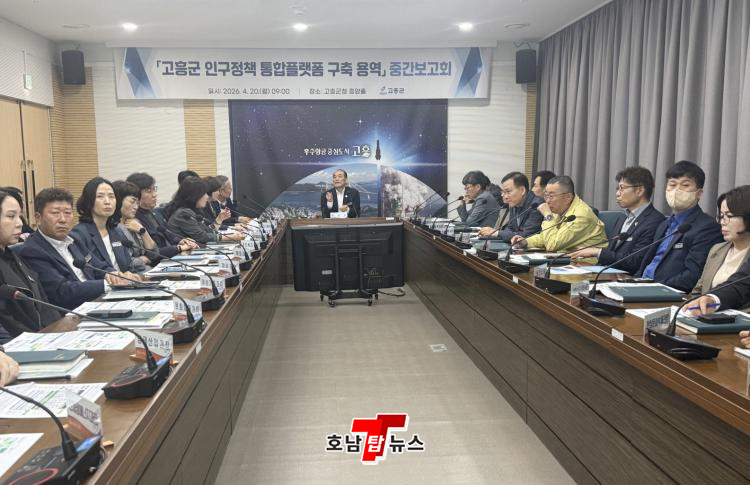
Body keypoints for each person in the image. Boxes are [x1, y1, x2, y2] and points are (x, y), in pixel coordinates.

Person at [17, 188, 129, 310]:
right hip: (72, 313)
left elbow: (99, 266)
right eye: (55, 213)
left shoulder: (74, 239)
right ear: (38, 218)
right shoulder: (33, 250)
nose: (62, 219)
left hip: (98, 302)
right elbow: (62, 291)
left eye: (67, 213)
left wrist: (114, 274)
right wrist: (108, 283)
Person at [636, 161, 723, 292]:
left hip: (666, 293)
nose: (676, 190)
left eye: (685, 185)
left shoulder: (707, 227)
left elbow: (692, 276)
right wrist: (632, 283)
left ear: (699, 193)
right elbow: (647, 263)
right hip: (641, 286)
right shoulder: (664, 224)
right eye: (672, 184)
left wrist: (655, 288)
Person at [570, 166, 665, 273]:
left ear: (639, 191)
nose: (617, 193)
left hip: (628, 278)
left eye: (622, 188)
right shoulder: (622, 218)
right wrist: (591, 266)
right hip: (607, 274)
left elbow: (635, 261)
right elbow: (612, 253)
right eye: (618, 189)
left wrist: (598, 252)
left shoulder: (654, 221)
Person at [0, 190, 62, 343]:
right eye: (11, 216)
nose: (20, 223)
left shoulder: (12, 255)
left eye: (20, 216)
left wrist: (60, 331)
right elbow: (6, 324)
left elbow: (44, 302)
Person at [510, 176, 607, 259]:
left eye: (551, 196)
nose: (547, 201)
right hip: (566, 260)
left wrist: (548, 216)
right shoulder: (560, 209)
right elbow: (546, 236)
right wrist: (525, 242)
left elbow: (552, 245)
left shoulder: (581, 215)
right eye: (546, 195)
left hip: (587, 264)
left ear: (568, 197)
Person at [691, 186, 750, 302]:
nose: (722, 222)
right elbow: (698, 290)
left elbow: (739, 289)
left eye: (729, 216)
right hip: (706, 311)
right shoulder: (717, 249)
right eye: (721, 216)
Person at [71, 177, 141, 274]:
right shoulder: (79, 234)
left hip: (126, 282)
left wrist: (132, 275)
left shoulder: (116, 231)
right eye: (100, 196)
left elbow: (128, 265)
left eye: (111, 196)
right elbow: (91, 270)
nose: (107, 202)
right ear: (88, 201)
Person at [127, 172, 197, 254]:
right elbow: (151, 253)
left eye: (154, 189)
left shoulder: (156, 213)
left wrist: (181, 241)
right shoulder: (135, 220)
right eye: (149, 191)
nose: (154, 194)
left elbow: (168, 235)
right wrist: (178, 248)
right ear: (136, 194)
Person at [165, 176, 243, 243]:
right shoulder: (184, 213)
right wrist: (230, 237)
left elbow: (207, 231)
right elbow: (201, 237)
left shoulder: (192, 211)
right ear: (195, 196)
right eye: (204, 193)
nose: (207, 196)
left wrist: (219, 219)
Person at [478, 172, 543, 240]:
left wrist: (497, 233)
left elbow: (527, 235)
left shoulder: (536, 205)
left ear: (522, 190)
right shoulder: (514, 203)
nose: (505, 196)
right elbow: (510, 228)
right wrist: (495, 233)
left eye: (508, 192)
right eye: (503, 192)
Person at [112, 180, 159, 272]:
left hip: (146, 271)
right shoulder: (113, 228)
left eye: (137, 203)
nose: (136, 207)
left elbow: (154, 254)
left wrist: (143, 232)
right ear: (118, 200)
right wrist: (143, 260)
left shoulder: (135, 222)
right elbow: (126, 263)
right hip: (132, 275)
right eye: (132, 201)